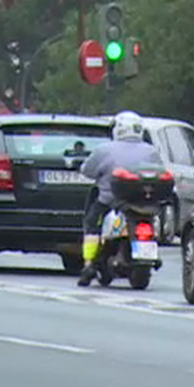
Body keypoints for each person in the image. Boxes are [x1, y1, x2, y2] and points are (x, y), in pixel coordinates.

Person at [76, 111, 161, 285]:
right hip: (144, 203)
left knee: (92, 222)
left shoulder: (105, 149)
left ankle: (89, 264)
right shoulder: (151, 151)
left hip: (111, 202)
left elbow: (88, 171)